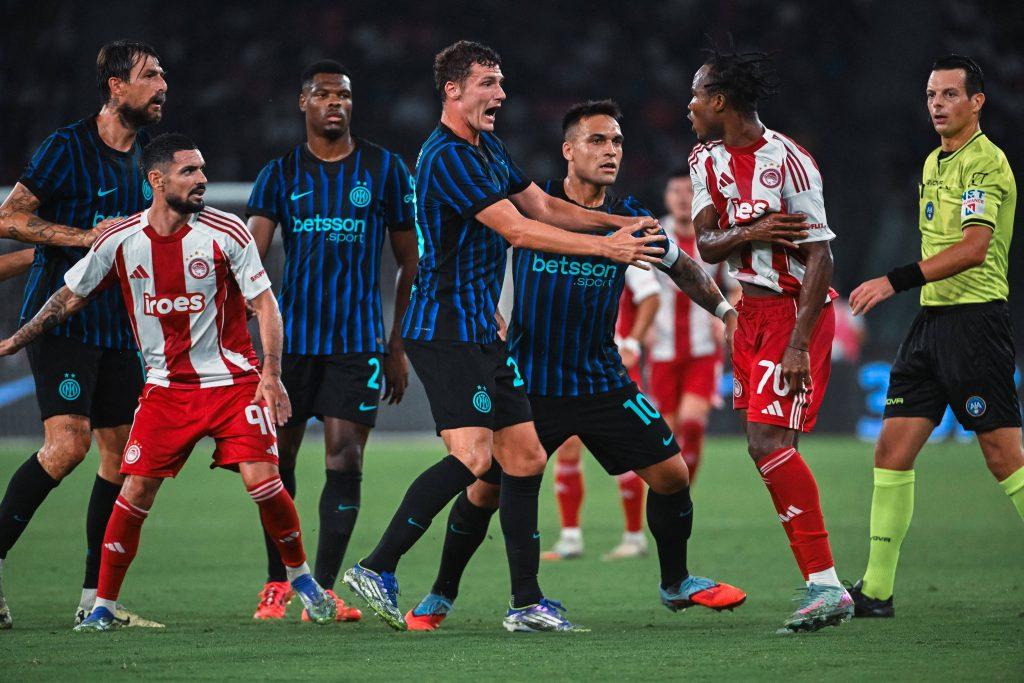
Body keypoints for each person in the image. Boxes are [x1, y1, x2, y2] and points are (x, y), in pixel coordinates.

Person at [342, 42, 664, 634]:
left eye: (501, 81)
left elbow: (541, 203)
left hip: (480, 330)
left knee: (526, 456)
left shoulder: (485, 147)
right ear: (454, 91)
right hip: (443, 329)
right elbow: (517, 230)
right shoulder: (446, 158)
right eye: (489, 82)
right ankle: (376, 566)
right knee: (473, 457)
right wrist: (608, 247)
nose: (501, 94)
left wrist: (621, 222)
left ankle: (525, 605)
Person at [403, 99, 746, 632]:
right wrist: (476, 308)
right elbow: (470, 247)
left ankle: (676, 581)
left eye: (617, 143)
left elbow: (685, 270)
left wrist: (726, 312)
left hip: (601, 379)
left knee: (673, 474)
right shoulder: (530, 208)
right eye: (596, 141)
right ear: (568, 150)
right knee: (484, 491)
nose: (610, 152)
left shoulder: (630, 218)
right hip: (530, 382)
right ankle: (440, 595)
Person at [0, 133, 337, 630]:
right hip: (165, 389)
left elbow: (266, 303)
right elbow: (70, 295)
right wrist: (16, 340)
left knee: (263, 480)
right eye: (190, 172)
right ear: (157, 181)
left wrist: (271, 375)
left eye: (203, 170)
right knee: (134, 492)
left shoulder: (227, 233)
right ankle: (102, 607)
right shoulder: (120, 240)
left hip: (232, 382)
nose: (202, 180)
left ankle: (300, 576)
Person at [686, 44, 854, 633]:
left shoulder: (791, 161)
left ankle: (826, 585)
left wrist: (801, 343)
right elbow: (704, 247)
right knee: (770, 446)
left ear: (721, 101)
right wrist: (754, 229)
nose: (690, 106)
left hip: (791, 316)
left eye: (698, 95)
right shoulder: (703, 161)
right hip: (747, 317)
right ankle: (821, 586)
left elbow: (820, 256)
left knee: (765, 442)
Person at [0, 40, 167, 629]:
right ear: (116, 86)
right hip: (63, 320)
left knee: (122, 458)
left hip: (121, 329)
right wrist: (83, 238)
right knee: (67, 447)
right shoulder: (68, 146)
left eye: (164, 75)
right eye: (150, 75)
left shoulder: (150, 157)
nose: (163, 84)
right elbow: (10, 218)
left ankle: (96, 603)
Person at [847, 55, 1022, 618]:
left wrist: (893, 280)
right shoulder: (933, 163)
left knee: (1003, 456)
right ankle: (876, 590)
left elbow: (973, 249)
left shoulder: (984, 165)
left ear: (977, 102)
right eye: (930, 95)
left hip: (975, 323)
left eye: (950, 94)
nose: (938, 104)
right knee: (891, 450)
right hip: (931, 325)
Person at [245, 60, 418, 623]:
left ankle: (320, 589)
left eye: (343, 95)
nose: (335, 103)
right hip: (291, 346)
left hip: (358, 343)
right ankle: (278, 582)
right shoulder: (279, 174)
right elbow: (252, 261)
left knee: (346, 459)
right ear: (304, 104)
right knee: (278, 461)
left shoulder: (385, 169)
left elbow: (409, 262)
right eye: (322, 94)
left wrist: (397, 347)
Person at [544, 264, 660, 562]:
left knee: (625, 448)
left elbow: (651, 295)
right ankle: (570, 537)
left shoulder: (619, 243)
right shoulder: (560, 243)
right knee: (568, 445)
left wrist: (632, 341)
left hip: (611, 363)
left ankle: (634, 536)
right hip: (568, 361)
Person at [649, 170, 738, 483]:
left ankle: (683, 493)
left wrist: (726, 315)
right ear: (667, 197)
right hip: (661, 347)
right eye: (676, 191)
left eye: (690, 190)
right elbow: (634, 289)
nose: (683, 197)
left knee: (692, 422)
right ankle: (668, 493)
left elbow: (735, 284)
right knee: (666, 432)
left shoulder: (714, 235)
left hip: (703, 346)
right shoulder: (652, 234)